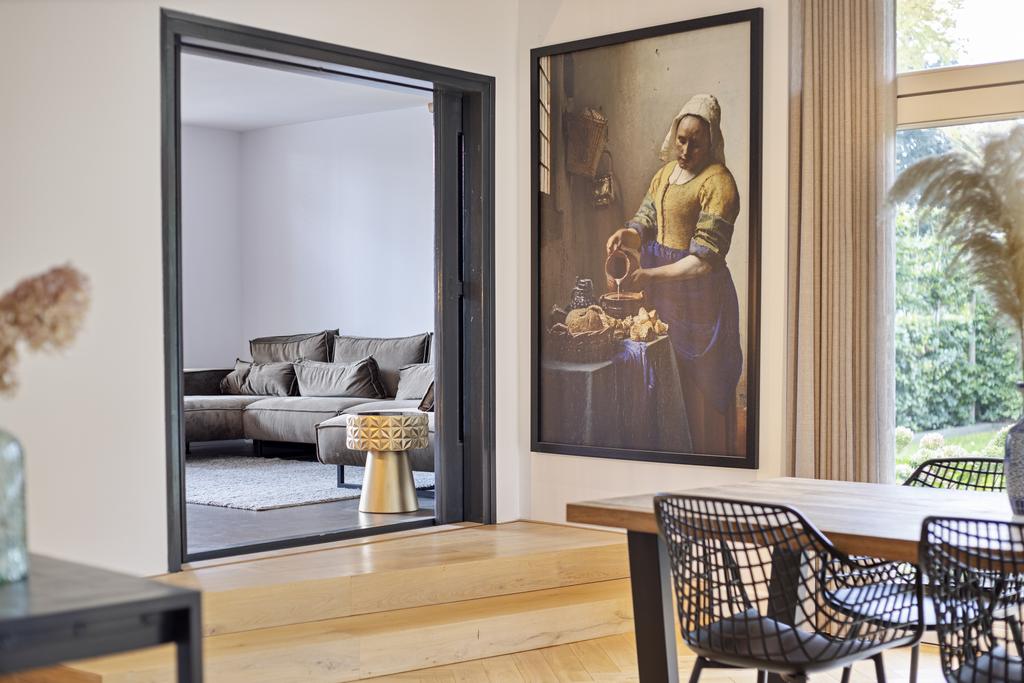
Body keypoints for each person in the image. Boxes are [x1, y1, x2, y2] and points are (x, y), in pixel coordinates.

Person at [606, 93, 743, 455]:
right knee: (664, 376)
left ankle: (708, 458)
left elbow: (704, 261)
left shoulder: (720, 183)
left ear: (710, 142)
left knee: (699, 387)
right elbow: (645, 222)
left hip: (701, 301)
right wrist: (626, 235)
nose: (685, 150)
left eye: (695, 144)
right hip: (662, 297)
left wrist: (651, 276)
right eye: (681, 140)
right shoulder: (665, 175)